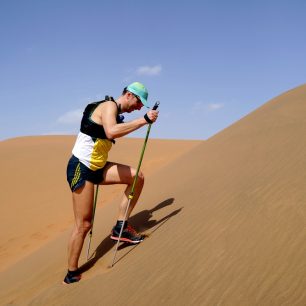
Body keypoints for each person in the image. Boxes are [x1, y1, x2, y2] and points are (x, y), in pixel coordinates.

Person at [63, 82, 159, 284]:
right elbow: (111, 132)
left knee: (137, 177)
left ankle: (120, 227)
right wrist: (142, 121)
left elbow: (112, 130)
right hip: (81, 167)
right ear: (129, 95)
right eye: (140, 101)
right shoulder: (109, 107)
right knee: (84, 224)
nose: (140, 106)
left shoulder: (115, 113)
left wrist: (139, 120)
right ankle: (71, 273)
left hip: (98, 167)